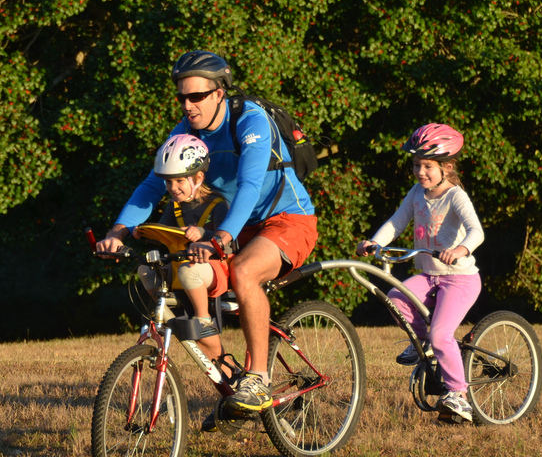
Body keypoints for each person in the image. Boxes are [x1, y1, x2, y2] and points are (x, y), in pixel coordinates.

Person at [96, 50, 318, 423]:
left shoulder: (249, 120)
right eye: (182, 97)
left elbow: (249, 183)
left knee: (245, 272)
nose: (187, 105)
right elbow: (152, 185)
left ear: (219, 92)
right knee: (176, 278)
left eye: (195, 96)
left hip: (284, 219)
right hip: (228, 227)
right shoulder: (184, 130)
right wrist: (117, 231)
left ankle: (258, 378)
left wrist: (222, 235)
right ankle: (229, 374)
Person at [355, 123, 484, 422]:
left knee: (442, 334)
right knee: (396, 297)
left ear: (447, 167)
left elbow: (477, 232)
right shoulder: (416, 193)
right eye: (416, 165)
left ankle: (458, 394)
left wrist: (461, 249)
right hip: (428, 275)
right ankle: (424, 345)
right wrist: (375, 242)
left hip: (460, 278)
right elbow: (396, 222)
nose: (420, 172)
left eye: (428, 166)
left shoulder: (456, 197)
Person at [135, 133, 235, 377]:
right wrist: (144, 231)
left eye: (179, 181)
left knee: (189, 272)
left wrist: (202, 232)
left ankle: (203, 319)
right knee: (146, 270)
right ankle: (168, 309)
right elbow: (165, 231)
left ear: (198, 177)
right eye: (168, 183)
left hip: (214, 269)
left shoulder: (217, 204)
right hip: (182, 266)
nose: (172, 188)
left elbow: (228, 242)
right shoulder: (174, 205)